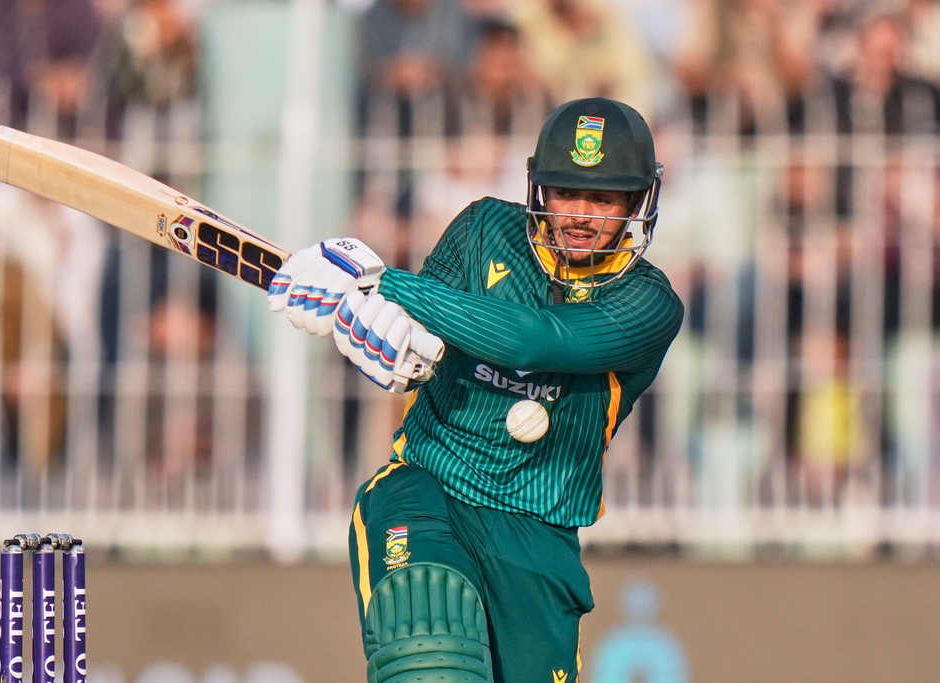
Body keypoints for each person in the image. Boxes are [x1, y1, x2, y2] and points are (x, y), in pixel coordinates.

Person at [267, 97, 684, 683]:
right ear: (538, 189)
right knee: (427, 647)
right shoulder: (485, 227)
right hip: (428, 486)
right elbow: (420, 333)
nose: (581, 215)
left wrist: (385, 284)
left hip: (537, 536)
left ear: (638, 202)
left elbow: (535, 340)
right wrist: (380, 337)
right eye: (566, 193)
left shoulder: (648, 304)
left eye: (604, 198)